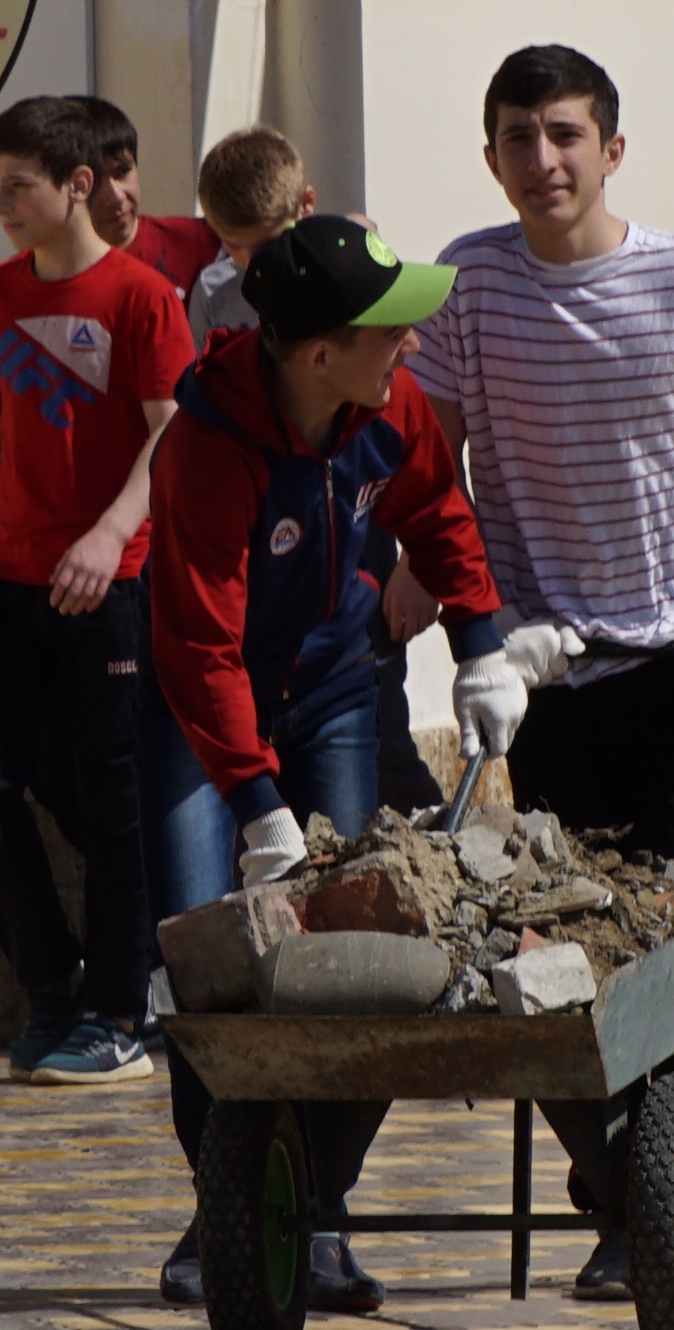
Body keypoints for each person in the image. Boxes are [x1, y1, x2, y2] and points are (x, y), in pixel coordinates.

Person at [407, 43, 674, 1299]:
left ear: (611, 148)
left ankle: (670, 1182)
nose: (543, 160)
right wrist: (454, 626)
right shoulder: (467, 285)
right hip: (549, 676)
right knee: (563, 944)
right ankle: (614, 1186)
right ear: (490, 158)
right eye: (518, 139)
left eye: (565, 134)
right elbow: (431, 476)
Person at [138, 214, 527, 1310]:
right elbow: (200, 651)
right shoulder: (205, 451)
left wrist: (481, 648)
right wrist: (258, 810)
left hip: (336, 689)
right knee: (212, 969)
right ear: (317, 354)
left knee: (353, 950)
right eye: (389, 328)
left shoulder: (384, 404)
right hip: (199, 716)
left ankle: (315, 1211)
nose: (412, 343)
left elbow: (435, 509)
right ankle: (230, 1203)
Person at [0, 96, 195, 1085]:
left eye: (17, 186)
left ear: (78, 185)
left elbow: (170, 433)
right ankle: (51, 983)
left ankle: (119, 1012)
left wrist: (109, 534)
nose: (0, 205)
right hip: (8, 576)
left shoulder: (144, 298)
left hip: (113, 580)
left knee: (110, 801)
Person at [188, 124, 444, 815]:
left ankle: (412, 831)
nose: (250, 261)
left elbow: (407, 424)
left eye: (264, 241)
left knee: (375, 705)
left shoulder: (357, 252)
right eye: (232, 245)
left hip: (352, 505)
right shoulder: (214, 290)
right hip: (268, 511)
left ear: (306, 204)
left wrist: (420, 563)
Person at [73, 95, 220, 305]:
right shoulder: (40, 272)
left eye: (122, 172)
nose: (116, 196)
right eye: (93, 182)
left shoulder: (202, 242)